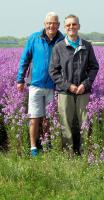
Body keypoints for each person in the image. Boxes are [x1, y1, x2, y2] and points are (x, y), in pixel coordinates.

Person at [49, 14, 99, 155]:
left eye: (74, 24)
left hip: (83, 91)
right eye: (68, 25)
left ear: (79, 26)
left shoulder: (87, 46)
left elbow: (94, 67)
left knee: (85, 123)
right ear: (65, 27)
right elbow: (53, 71)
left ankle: (85, 153)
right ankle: (68, 154)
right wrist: (68, 86)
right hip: (65, 92)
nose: (71, 27)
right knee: (65, 124)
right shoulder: (59, 47)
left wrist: (85, 84)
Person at [16, 12, 64, 157]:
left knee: (49, 117)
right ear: (44, 24)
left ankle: (47, 143)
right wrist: (20, 79)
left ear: (58, 25)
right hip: (35, 84)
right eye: (49, 23)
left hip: (53, 85)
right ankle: (33, 147)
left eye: (54, 23)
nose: (51, 26)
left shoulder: (62, 39)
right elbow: (25, 58)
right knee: (34, 117)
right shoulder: (34, 38)